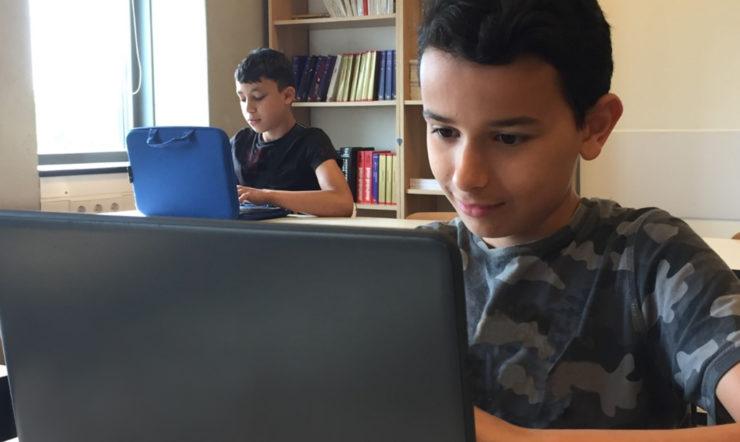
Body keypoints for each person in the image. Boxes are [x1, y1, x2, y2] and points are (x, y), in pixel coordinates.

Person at [417, 0, 740, 440]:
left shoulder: (653, 259)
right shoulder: (415, 266)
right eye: (444, 131)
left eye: (508, 137)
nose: (465, 176)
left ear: (594, 127)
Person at [231, 48, 354, 217]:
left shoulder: (311, 141)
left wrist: (267, 196)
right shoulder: (239, 142)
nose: (248, 108)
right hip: (249, 239)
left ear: (287, 96)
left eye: (258, 97)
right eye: (242, 99)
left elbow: (342, 202)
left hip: (299, 239)